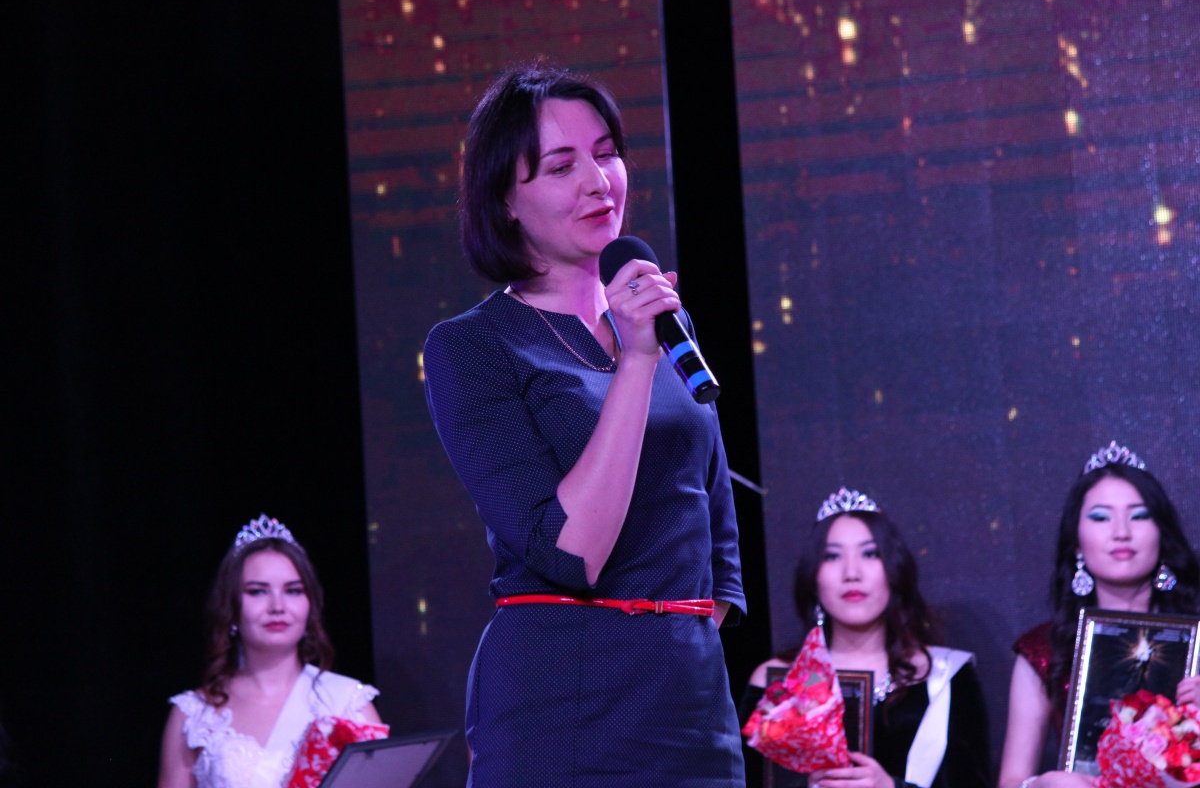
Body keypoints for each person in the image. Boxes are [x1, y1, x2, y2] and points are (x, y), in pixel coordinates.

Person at [422, 63, 746, 786]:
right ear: (505, 199)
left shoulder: (666, 323)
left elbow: (717, 534)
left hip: (689, 702)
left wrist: (672, 637)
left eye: (606, 154)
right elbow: (571, 553)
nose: (599, 182)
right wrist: (636, 360)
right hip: (561, 701)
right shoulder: (474, 347)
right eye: (563, 166)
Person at [742, 488, 991, 788]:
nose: (852, 572)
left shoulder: (944, 676)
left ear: (895, 570)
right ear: (812, 577)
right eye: (832, 556)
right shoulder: (778, 681)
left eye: (870, 553)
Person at [997, 441, 1200, 788]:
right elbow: (1011, 780)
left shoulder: (1197, 639)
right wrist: (1043, 785)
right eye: (1101, 517)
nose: (1121, 532)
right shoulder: (1043, 649)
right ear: (1076, 541)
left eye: (1139, 515)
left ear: (1162, 533)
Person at [157, 515, 382, 788]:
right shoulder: (194, 714)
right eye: (257, 592)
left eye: (293, 591)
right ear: (230, 606)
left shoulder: (346, 703)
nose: (278, 606)